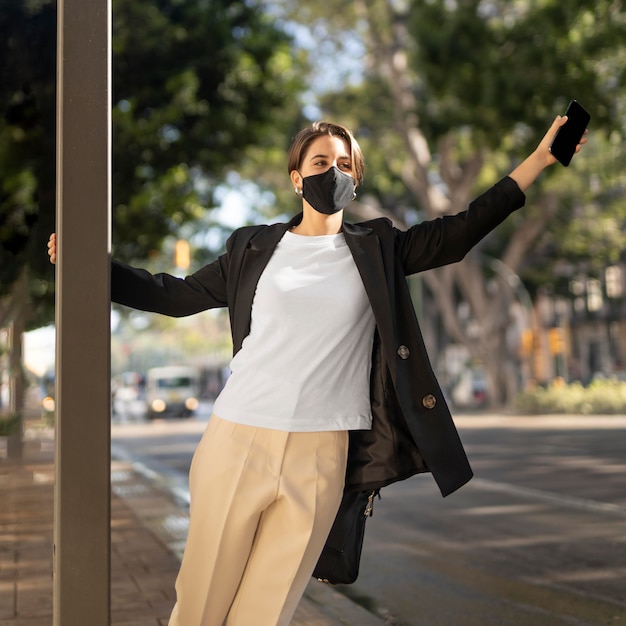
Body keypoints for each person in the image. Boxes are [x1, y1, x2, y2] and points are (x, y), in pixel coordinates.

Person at [48, 115, 587, 625]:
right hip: (239, 438)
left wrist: (540, 158)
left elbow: (462, 229)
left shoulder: (378, 248)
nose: (335, 171)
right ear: (296, 178)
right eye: (321, 162)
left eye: (346, 163)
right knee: (202, 601)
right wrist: (93, 267)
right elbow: (177, 295)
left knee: (268, 610)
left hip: (322, 454)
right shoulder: (252, 247)